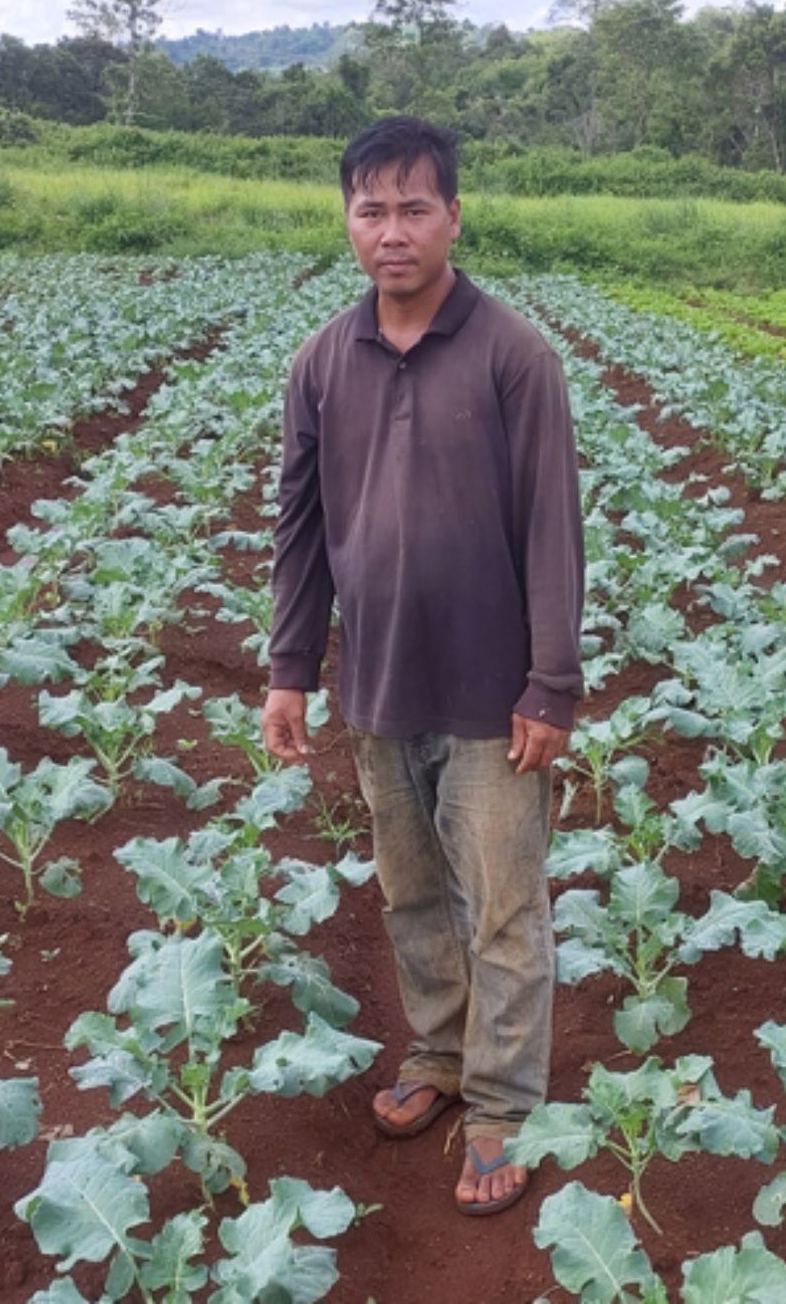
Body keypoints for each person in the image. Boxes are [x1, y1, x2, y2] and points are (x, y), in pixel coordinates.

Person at [260, 116, 584, 1217]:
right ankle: (439, 1057)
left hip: (495, 695)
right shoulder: (321, 361)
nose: (390, 231)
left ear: (452, 216)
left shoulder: (512, 356)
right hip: (380, 684)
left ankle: (500, 1104)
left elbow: (551, 529)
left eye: (412, 209)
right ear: (345, 220)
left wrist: (551, 685)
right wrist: (290, 665)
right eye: (370, 210)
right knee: (408, 892)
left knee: (500, 904)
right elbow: (299, 530)